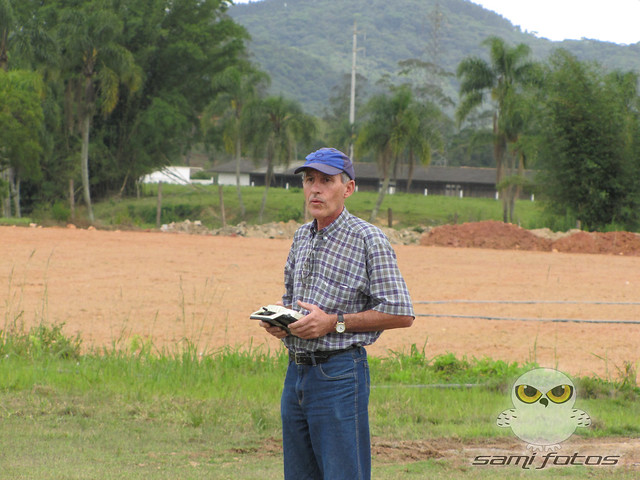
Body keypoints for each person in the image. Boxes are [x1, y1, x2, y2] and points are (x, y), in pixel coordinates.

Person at [259, 147, 415, 480]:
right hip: (296, 374)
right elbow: (293, 298)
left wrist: (334, 323)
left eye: (326, 181)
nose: (315, 189)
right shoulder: (302, 236)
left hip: (340, 375)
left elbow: (401, 313)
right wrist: (284, 323)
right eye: (309, 180)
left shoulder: (368, 239)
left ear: (348, 188)